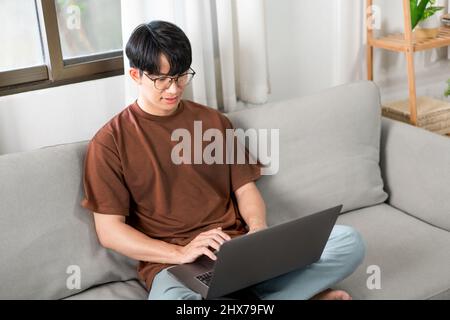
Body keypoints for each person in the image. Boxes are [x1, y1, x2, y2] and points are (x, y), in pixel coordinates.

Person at [81, 20, 365, 300]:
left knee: (348, 242)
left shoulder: (213, 121)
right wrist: (180, 253)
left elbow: (245, 189)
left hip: (237, 251)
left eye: (181, 76)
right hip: (173, 265)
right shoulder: (110, 143)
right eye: (161, 80)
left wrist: (257, 230)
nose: (174, 89)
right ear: (135, 76)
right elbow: (110, 232)